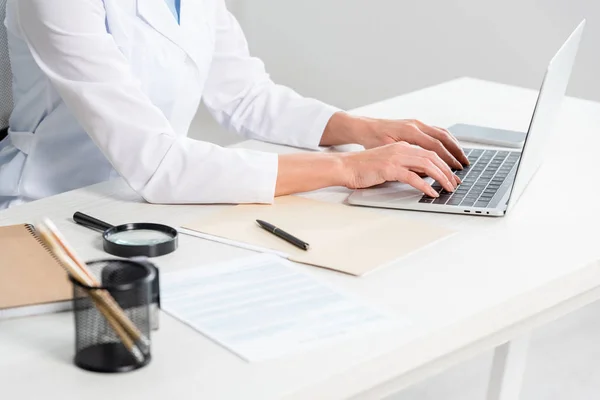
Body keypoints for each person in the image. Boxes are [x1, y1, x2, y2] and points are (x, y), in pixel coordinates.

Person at [0, 0, 468, 210]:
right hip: (48, 205)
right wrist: (348, 170)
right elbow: (160, 165)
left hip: (151, 205)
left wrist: (364, 131)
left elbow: (245, 95)